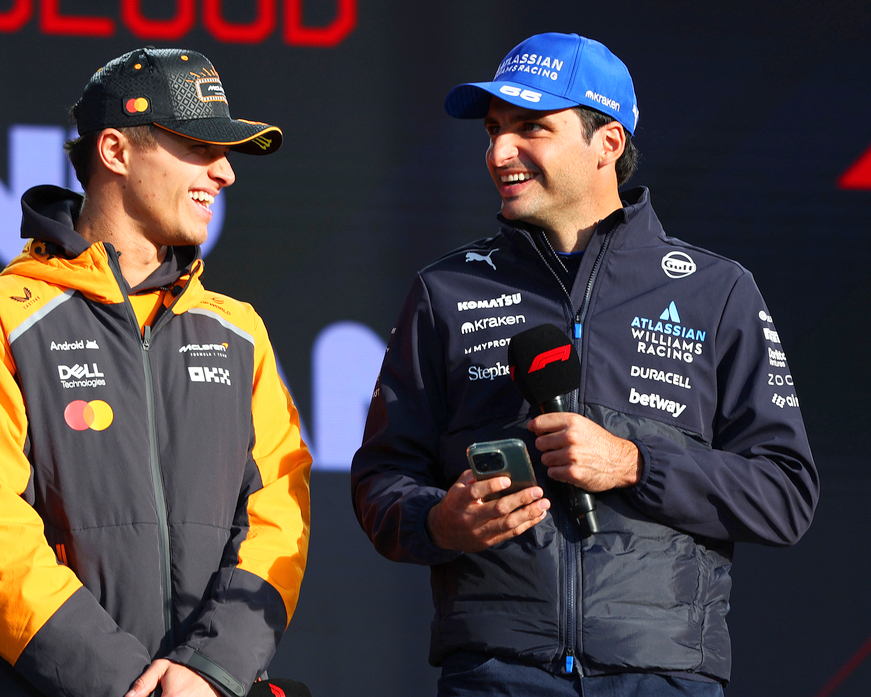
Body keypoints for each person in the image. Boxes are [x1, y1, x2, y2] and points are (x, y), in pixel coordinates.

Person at [350, 32, 817, 696]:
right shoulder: (445, 290)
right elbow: (380, 479)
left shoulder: (716, 290)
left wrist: (634, 463)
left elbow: (785, 495)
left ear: (608, 143)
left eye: (531, 128)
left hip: (661, 674)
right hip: (496, 672)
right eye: (493, 130)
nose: (499, 152)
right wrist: (439, 520)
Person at [0, 48, 311, 697]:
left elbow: (279, 514)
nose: (224, 172)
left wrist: (212, 668)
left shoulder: (239, 330)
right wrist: (130, 685)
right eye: (199, 147)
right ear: (114, 151)